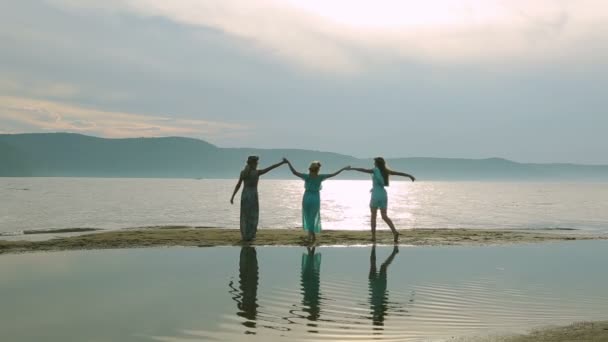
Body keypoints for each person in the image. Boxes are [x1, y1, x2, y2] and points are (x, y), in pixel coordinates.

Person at [347, 157, 415, 242]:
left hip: (376, 195)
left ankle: (373, 237)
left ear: (377, 163)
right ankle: (394, 232)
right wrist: (410, 176)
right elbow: (399, 173)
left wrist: (352, 168)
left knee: (373, 217)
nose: (373, 164)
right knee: (384, 216)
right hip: (383, 195)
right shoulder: (386, 171)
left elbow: (363, 169)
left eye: (374, 162)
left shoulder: (375, 170)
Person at [285, 158, 349, 243]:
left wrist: (288, 162)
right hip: (315, 198)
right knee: (313, 217)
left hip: (307, 197)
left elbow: (294, 172)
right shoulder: (320, 177)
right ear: (318, 169)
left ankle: (311, 236)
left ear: (310, 169)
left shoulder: (306, 176)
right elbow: (333, 174)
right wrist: (343, 169)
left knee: (308, 217)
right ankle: (311, 236)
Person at [230, 156, 286, 241]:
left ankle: (245, 234)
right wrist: (282, 163)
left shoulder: (243, 173)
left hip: (245, 195)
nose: (257, 164)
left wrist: (233, 196)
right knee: (253, 215)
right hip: (253, 196)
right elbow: (271, 168)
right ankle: (251, 234)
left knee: (245, 215)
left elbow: (238, 185)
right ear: (253, 164)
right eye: (256, 163)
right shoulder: (257, 173)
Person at [368, 244, 399, 327]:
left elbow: (393, 306)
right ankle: (374, 247)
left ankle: (374, 247)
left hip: (376, 286)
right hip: (377, 286)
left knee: (379, 265)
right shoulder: (380, 310)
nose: (374, 318)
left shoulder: (378, 310)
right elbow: (394, 306)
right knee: (379, 265)